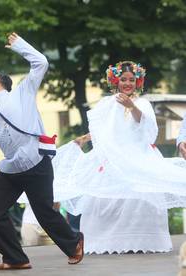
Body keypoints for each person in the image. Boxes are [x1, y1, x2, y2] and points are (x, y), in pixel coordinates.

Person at [0, 32, 83, 270]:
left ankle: (75, 242)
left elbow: (41, 62)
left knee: (44, 212)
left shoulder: (23, 92)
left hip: (37, 161)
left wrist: (19, 45)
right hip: (12, 168)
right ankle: (15, 258)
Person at [52, 61, 186, 254]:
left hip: (137, 155)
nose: (128, 83)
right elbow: (101, 131)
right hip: (111, 157)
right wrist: (87, 140)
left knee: (140, 197)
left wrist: (132, 107)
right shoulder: (106, 103)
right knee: (102, 198)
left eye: (132, 79)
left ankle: (140, 241)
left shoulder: (142, 103)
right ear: (116, 81)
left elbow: (146, 125)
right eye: (123, 79)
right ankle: (106, 242)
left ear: (138, 82)